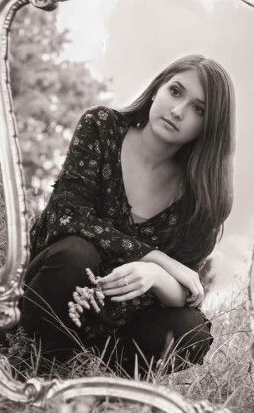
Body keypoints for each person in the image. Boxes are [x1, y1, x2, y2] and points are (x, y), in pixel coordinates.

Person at [20, 54, 235, 378]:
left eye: (198, 109)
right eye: (176, 92)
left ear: (208, 127)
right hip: (56, 290)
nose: (178, 111)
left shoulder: (200, 199)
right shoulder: (101, 127)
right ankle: (33, 360)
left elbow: (187, 292)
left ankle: (98, 379)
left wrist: (155, 275)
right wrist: (156, 256)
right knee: (77, 253)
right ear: (157, 88)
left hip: (118, 330)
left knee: (192, 331)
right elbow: (67, 215)